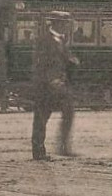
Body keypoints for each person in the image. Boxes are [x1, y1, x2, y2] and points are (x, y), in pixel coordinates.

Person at [31, 11, 79, 161]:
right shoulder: (44, 40)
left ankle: (63, 147)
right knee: (41, 119)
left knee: (68, 111)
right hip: (45, 86)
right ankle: (38, 152)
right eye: (65, 24)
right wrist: (51, 80)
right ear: (57, 24)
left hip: (58, 85)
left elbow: (63, 60)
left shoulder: (61, 41)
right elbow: (40, 63)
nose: (67, 27)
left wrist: (72, 61)